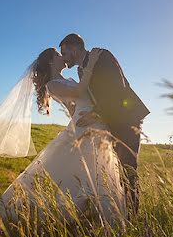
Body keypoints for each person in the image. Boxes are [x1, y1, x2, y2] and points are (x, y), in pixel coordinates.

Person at [0, 46, 127, 224]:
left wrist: (87, 115)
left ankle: (94, 216)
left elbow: (73, 109)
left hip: (90, 125)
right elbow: (80, 91)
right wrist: (92, 64)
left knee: (98, 172)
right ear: (51, 61)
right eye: (59, 55)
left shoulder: (66, 80)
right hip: (84, 129)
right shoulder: (52, 85)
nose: (62, 57)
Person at [58, 33, 149, 213]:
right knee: (114, 171)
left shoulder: (102, 56)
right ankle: (119, 213)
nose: (63, 58)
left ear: (74, 48)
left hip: (126, 120)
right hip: (107, 124)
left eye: (64, 52)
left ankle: (132, 217)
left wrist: (96, 114)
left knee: (128, 169)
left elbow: (117, 88)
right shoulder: (81, 70)